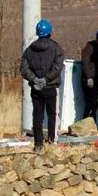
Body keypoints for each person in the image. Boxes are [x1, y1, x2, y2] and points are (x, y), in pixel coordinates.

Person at [20, 18, 65, 151]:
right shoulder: (55, 48)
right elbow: (57, 67)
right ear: (50, 32)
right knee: (52, 115)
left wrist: (35, 79)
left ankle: (38, 144)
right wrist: (46, 79)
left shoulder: (30, 49)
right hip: (51, 87)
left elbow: (24, 68)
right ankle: (51, 142)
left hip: (36, 89)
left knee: (37, 116)